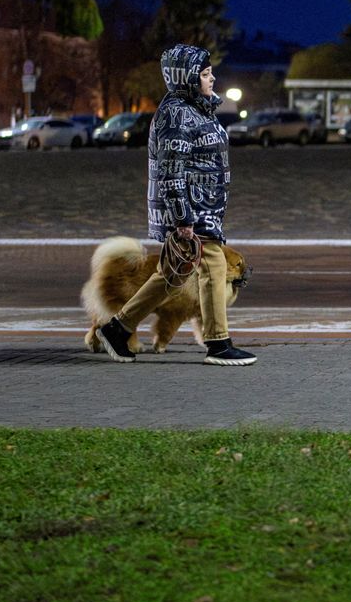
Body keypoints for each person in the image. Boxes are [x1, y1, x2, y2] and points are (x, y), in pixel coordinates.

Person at [94, 44, 255, 366]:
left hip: (202, 208)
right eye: (205, 74)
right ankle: (218, 342)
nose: (212, 78)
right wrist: (183, 219)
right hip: (192, 212)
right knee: (214, 267)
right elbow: (171, 170)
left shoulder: (195, 108)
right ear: (187, 78)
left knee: (171, 275)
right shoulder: (177, 114)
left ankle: (117, 328)